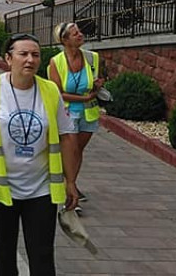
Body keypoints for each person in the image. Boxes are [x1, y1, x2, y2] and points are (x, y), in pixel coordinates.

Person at [0, 33, 80, 276]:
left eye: (35, 55)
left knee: (42, 254)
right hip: (1, 188)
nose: (30, 60)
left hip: (41, 189)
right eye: (23, 54)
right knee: (4, 254)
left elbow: (68, 136)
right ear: (8, 58)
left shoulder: (50, 91)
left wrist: (71, 181)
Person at [47, 22, 103, 212]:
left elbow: (94, 83)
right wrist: (83, 96)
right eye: (74, 33)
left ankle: (71, 184)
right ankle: (64, 190)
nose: (80, 35)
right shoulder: (56, 61)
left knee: (77, 151)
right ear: (64, 40)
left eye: (79, 32)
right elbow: (57, 92)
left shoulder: (92, 58)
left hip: (89, 111)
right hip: (68, 112)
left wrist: (97, 86)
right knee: (68, 151)